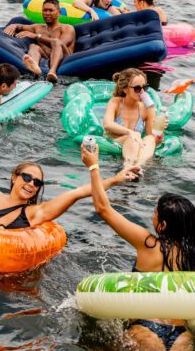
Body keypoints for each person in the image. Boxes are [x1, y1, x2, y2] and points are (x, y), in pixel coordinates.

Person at [82, 143, 194, 350]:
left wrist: (93, 166)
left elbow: (102, 208)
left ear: (163, 225)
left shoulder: (149, 244)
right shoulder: (191, 253)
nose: (152, 215)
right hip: (182, 335)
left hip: (145, 329)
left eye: (155, 213)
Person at [0, 160, 138, 232]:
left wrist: (115, 179)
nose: (31, 184)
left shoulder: (34, 212)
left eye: (37, 183)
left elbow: (77, 193)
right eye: (27, 178)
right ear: (14, 177)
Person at [102, 68, 167, 168]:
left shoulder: (147, 108)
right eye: (137, 88)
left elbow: (152, 138)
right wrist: (131, 132)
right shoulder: (115, 102)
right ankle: (128, 166)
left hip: (135, 146)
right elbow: (107, 124)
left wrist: (160, 133)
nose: (142, 92)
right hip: (114, 142)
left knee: (149, 138)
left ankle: (138, 166)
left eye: (144, 87)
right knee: (134, 136)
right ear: (125, 89)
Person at [4, 0, 75, 83]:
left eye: (51, 10)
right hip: (46, 58)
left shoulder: (67, 28)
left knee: (56, 42)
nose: (47, 13)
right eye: (45, 10)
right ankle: (34, 69)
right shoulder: (38, 27)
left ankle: (52, 72)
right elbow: (21, 26)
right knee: (33, 46)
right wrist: (13, 26)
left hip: (64, 59)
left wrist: (36, 36)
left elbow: (60, 44)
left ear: (59, 13)